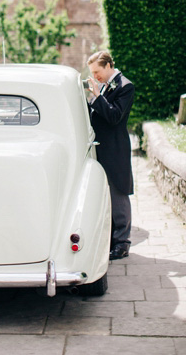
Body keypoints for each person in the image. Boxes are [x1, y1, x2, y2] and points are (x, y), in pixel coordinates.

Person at [86, 50, 135, 260]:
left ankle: (122, 243)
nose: (95, 76)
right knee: (106, 196)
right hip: (101, 148)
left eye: (97, 71)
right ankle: (111, 240)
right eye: (92, 72)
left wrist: (97, 97)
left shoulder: (125, 86)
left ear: (108, 66)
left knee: (118, 193)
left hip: (115, 149)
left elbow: (114, 116)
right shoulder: (106, 86)